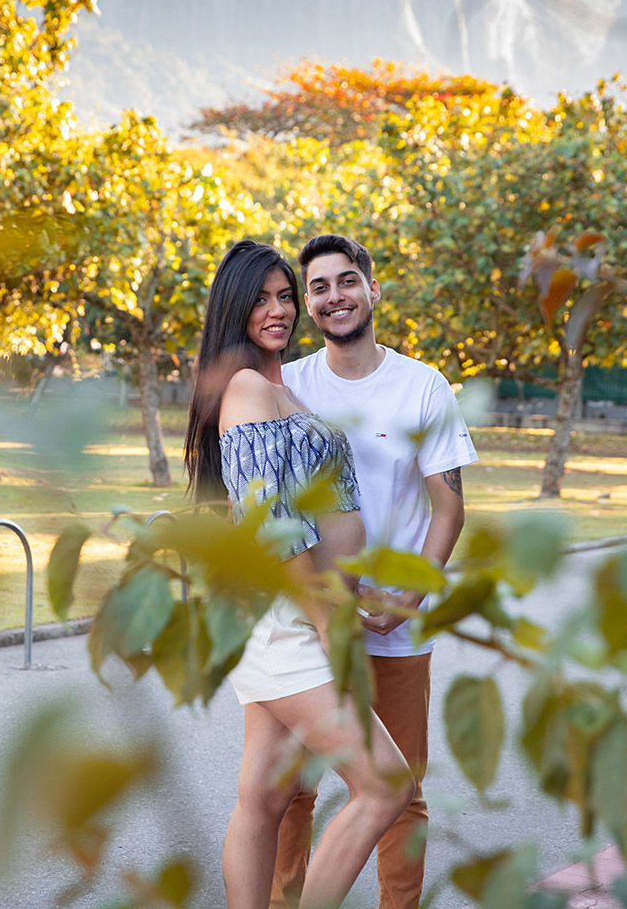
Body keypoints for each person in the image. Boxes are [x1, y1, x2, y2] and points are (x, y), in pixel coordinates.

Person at [185, 239, 414, 909]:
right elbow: (269, 523)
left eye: (286, 296)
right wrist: (324, 620)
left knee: (261, 796)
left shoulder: (274, 385)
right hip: (290, 622)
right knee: (384, 786)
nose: (279, 309)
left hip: (299, 611)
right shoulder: (250, 389)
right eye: (261, 298)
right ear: (234, 308)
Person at [271, 234, 478, 909]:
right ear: (309, 304)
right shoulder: (288, 383)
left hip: (393, 628)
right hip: (311, 625)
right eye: (319, 288)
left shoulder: (423, 386)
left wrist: (408, 598)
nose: (335, 297)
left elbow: (449, 507)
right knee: (292, 789)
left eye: (346, 281)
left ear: (372, 290)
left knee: (401, 795)